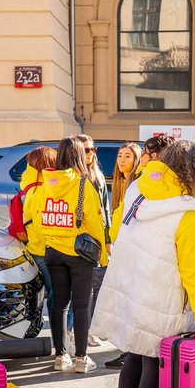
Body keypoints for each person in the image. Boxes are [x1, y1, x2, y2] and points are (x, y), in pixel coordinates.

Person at [92, 140, 195, 388]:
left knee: (133, 354)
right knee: (152, 361)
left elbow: (117, 229)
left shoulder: (136, 191)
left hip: (131, 286)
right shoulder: (188, 212)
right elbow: (192, 270)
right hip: (161, 294)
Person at [103, 134, 173, 370]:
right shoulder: (135, 182)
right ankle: (130, 351)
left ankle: (130, 351)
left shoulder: (143, 181)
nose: (123, 160)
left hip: (139, 256)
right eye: (120, 156)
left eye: (132, 155)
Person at [38, 136, 107, 373]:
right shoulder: (82, 185)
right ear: (78, 156)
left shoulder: (45, 183)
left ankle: (60, 356)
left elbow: (39, 217)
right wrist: (103, 254)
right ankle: (81, 358)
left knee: (58, 303)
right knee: (80, 305)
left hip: (52, 251)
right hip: (79, 253)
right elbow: (96, 223)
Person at [77, 134, 111, 347]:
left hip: (96, 241)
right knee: (82, 291)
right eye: (86, 150)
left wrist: (107, 240)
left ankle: (90, 329)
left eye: (93, 149)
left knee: (95, 287)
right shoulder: (72, 177)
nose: (91, 153)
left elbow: (105, 210)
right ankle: (78, 331)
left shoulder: (97, 176)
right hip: (78, 242)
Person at [20, 146, 58, 322]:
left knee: (47, 293)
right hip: (47, 249)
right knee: (58, 295)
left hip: (34, 248)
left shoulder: (29, 185)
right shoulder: (46, 188)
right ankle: (61, 333)